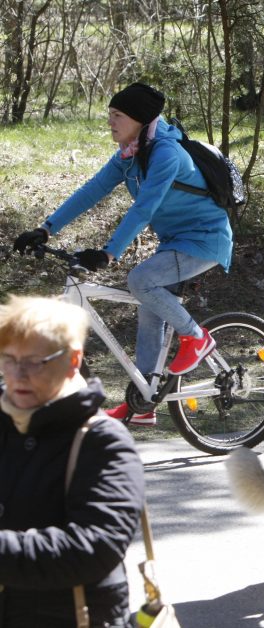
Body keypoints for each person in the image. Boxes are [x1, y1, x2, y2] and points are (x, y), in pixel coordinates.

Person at [12, 82, 233, 426]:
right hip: (175, 241)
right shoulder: (130, 155)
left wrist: (108, 254)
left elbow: (143, 209)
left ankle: (196, 337)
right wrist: (45, 228)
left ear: (140, 120)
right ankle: (143, 405)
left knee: (140, 280)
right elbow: (91, 191)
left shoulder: (166, 154)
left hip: (205, 240)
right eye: (110, 115)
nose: (111, 122)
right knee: (149, 306)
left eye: (117, 116)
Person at [0, 295, 145, 627]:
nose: (18, 375)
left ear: (73, 360)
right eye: (8, 359)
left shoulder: (104, 440)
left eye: (36, 362)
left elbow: (95, 546)